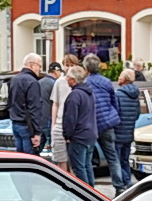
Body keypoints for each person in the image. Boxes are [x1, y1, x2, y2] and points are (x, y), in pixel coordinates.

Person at [83, 55, 123, 186]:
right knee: (112, 157)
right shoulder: (106, 82)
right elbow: (114, 102)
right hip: (107, 123)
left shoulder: (85, 83)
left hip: (92, 124)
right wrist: (114, 116)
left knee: (87, 158)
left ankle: (89, 186)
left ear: (86, 68)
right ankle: (119, 186)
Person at [61, 66, 98, 187]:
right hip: (90, 134)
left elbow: (70, 118)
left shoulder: (75, 95)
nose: (66, 79)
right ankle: (92, 190)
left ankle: (86, 193)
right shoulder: (89, 93)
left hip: (79, 136)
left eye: (68, 77)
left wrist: (67, 135)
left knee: (79, 168)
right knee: (87, 165)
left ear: (73, 79)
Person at [7, 53, 48, 154]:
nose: (40, 69)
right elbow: (35, 108)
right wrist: (37, 133)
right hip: (28, 126)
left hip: (15, 123)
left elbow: (10, 102)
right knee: (30, 159)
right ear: (31, 64)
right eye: (39, 66)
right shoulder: (32, 82)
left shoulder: (14, 79)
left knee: (20, 158)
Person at [49, 54, 80, 171]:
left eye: (72, 65)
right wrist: (53, 124)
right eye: (67, 65)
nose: (69, 68)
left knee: (75, 162)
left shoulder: (80, 83)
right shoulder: (59, 82)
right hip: (60, 124)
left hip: (75, 126)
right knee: (61, 159)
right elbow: (55, 104)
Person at [113, 68, 142, 192]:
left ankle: (123, 183)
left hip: (118, 132)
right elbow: (137, 114)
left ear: (124, 79)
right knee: (125, 159)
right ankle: (128, 180)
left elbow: (115, 113)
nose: (118, 78)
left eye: (120, 76)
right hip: (129, 132)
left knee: (117, 159)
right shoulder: (135, 95)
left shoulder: (118, 95)